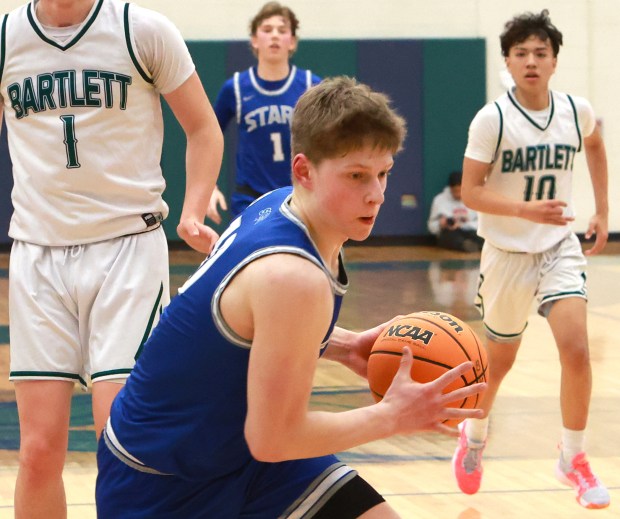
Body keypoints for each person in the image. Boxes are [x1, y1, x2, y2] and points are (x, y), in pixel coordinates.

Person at [95, 76, 486, 519]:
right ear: (304, 170)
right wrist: (393, 416)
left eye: (383, 173)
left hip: (244, 460)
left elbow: (236, 320)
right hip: (162, 482)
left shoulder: (276, 204)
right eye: (356, 175)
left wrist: (340, 344)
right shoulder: (294, 276)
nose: (375, 194)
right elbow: (274, 438)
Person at [0, 0, 223, 516]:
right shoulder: (8, 38)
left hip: (128, 251)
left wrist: (192, 210)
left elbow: (203, 128)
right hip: (37, 255)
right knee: (36, 452)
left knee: (120, 441)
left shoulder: (141, 31)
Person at [451, 10, 610, 510]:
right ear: (508, 61)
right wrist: (524, 210)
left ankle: (573, 459)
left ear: (555, 60)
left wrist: (603, 209)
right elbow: (470, 192)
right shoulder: (491, 119)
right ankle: (474, 438)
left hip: (558, 247)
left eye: (541, 52)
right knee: (497, 367)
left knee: (577, 350)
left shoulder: (575, 109)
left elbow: (597, 144)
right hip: (506, 253)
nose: (532, 61)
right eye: (521, 53)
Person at [207, 1, 321, 223]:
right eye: (267, 30)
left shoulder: (311, 86)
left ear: (293, 42)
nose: (275, 36)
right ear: (254, 40)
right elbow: (207, 135)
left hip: (299, 195)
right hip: (249, 198)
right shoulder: (236, 88)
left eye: (282, 30)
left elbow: (332, 143)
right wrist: (208, 187)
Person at [427, 171, 483, 252]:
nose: (458, 194)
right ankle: (465, 245)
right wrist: (440, 224)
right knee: (448, 236)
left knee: (479, 234)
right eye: (455, 191)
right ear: (450, 188)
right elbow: (431, 225)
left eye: (460, 191)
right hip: (450, 232)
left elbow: (480, 223)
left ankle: (477, 245)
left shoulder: (473, 199)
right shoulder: (439, 200)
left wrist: (462, 225)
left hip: (469, 230)